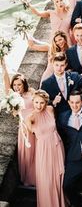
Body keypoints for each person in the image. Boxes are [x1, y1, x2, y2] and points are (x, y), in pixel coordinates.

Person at [26, 89, 66, 207]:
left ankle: (59, 201)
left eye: (42, 102)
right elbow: (31, 133)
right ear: (33, 102)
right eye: (36, 102)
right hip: (43, 149)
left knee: (59, 175)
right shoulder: (30, 117)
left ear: (46, 102)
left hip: (57, 146)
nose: (39, 106)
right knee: (46, 179)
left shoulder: (50, 109)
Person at [1, 59, 36, 187]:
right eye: (14, 85)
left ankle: (38, 175)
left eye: (19, 85)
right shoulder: (13, 97)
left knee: (37, 153)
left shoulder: (30, 93)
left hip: (35, 127)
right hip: (24, 130)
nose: (16, 87)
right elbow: (6, 84)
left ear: (24, 84)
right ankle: (28, 178)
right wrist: (4, 67)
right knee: (27, 154)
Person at [41, 52, 82, 116]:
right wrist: (53, 102)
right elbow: (42, 103)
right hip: (59, 117)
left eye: (62, 65)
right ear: (52, 64)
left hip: (77, 115)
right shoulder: (46, 83)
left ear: (66, 65)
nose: (59, 68)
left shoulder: (75, 76)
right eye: (56, 65)